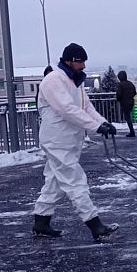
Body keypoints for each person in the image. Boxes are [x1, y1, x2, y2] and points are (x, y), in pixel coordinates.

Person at [32, 43, 119, 241]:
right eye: (80, 61)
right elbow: (66, 109)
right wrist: (94, 127)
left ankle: (41, 222)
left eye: (84, 61)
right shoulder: (53, 80)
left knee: (55, 182)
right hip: (57, 140)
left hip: (69, 140)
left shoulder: (74, 82)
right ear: (69, 60)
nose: (84, 66)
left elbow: (86, 107)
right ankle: (95, 225)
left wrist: (104, 123)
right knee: (75, 181)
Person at [116, 70, 137, 137]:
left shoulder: (120, 84)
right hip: (131, 102)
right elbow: (134, 93)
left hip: (124, 102)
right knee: (128, 117)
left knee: (127, 117)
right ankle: (132, 131)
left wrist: (119, 99)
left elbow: (118, 94)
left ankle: (132, 132)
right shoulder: (130, 83)